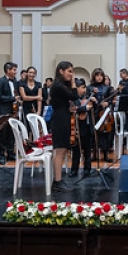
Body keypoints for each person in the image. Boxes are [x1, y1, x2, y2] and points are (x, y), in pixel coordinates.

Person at [50, 61, 78, 192]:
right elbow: (74, 95)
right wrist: (73, 83)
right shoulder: (57, 86)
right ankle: (57, 181)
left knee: (62, 150)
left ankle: (58, 180)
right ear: (61, 71)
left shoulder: (60, 85)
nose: (71, 74)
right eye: (69, 71)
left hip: (63, 116)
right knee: (60, 151)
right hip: (60, 119)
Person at [70, 78, 97, 178]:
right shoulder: (73, 99)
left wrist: (94, 101)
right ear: (76, 88)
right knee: (76, 151)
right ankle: (74, 170)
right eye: (82, 87)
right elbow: (72, 108)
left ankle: (87, 170)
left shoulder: (87, 97)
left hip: (87, 127)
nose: (84, 89)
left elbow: (95, 109)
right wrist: (84, 108)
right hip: (77, 128)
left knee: (87, 150)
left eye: (85, 87)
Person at [0, 62, 20, 164]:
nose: (15, 72)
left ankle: (10, 153)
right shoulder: (1, 81)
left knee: (11, 132)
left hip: (13, 111)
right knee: (3, 133)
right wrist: (12, 98)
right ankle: (1, 154)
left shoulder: (15, 81)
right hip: (4, 111)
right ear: (8, 70)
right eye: (14, 70)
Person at [89, 67, 114, 161]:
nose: (99, 77)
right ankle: (94, 154)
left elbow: (112, 100)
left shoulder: (108, 88)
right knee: (93, 133)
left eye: (101, 75)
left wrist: (108, 103)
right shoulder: (90, 87)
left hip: (104, 113)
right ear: (94, 76)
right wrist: (91, 98)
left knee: (105, 133)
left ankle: (106, 155)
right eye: (97, 75)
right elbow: (85, 97)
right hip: (93, 112)